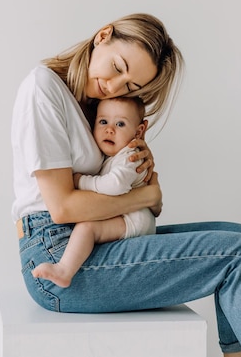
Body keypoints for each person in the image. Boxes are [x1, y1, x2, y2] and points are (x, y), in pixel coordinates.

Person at [11, 13, 241, 357]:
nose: (115, 85)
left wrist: (137, 169)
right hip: (57, 252)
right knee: (237, 254)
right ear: (103, 36)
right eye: (118, 66)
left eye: (131, 87)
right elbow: (63, 208)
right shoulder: (43, 87)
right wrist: (144, 196)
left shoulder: (93, 106)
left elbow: (118, 190)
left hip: (95, 239)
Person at [32, 96, 156, 288]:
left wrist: (81, 181)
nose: (110, 129)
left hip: (134, 218)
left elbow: (116, 185)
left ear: (139, 131)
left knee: (87, 229)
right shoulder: (112, 157)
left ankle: (64, 270)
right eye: (103, 121)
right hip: (129, 214)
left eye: (120, 123)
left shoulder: (131, 156)